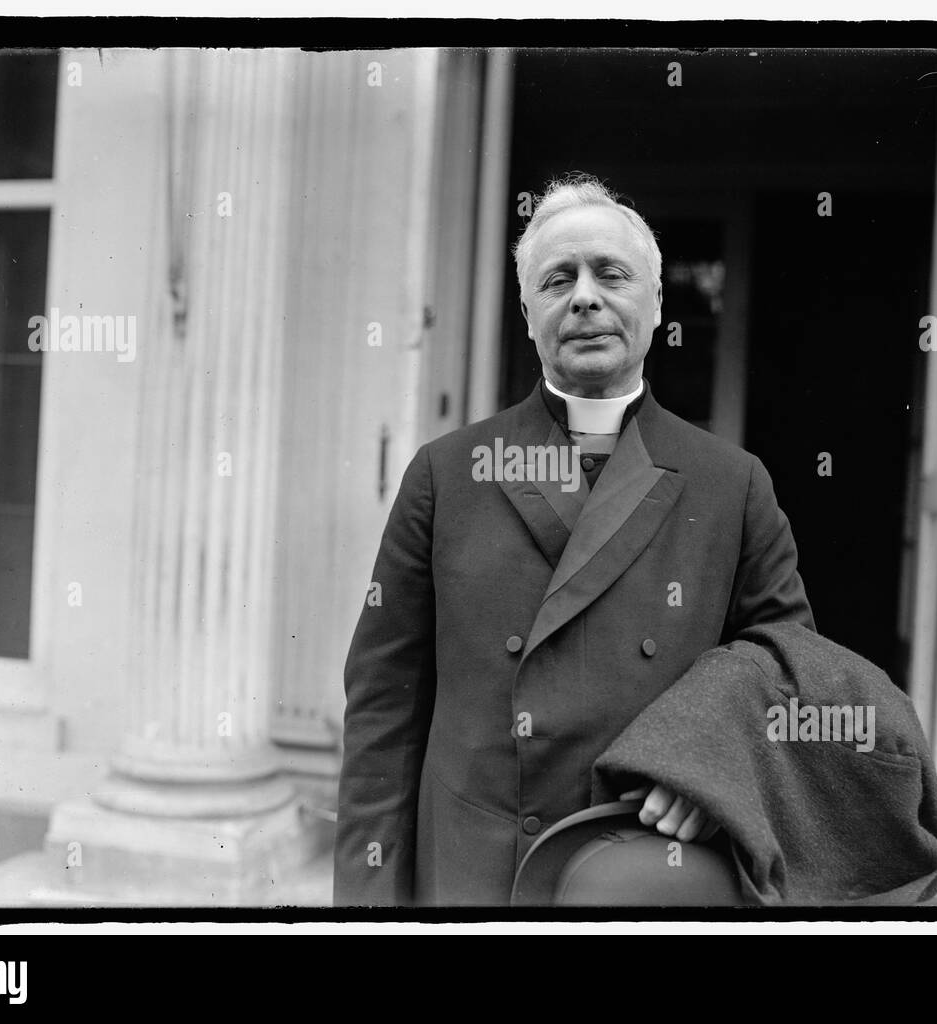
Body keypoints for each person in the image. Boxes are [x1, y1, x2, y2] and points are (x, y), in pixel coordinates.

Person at [333, 173, 815, 906]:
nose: (585, 296)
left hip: (645, 876)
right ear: (528, 314)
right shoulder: (447, 473)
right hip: (471, 876)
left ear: (655, 304)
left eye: (611, 275)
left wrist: (713, 774)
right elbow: (383, 709)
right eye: (559, 280)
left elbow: (787, 670)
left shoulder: (732, 484)